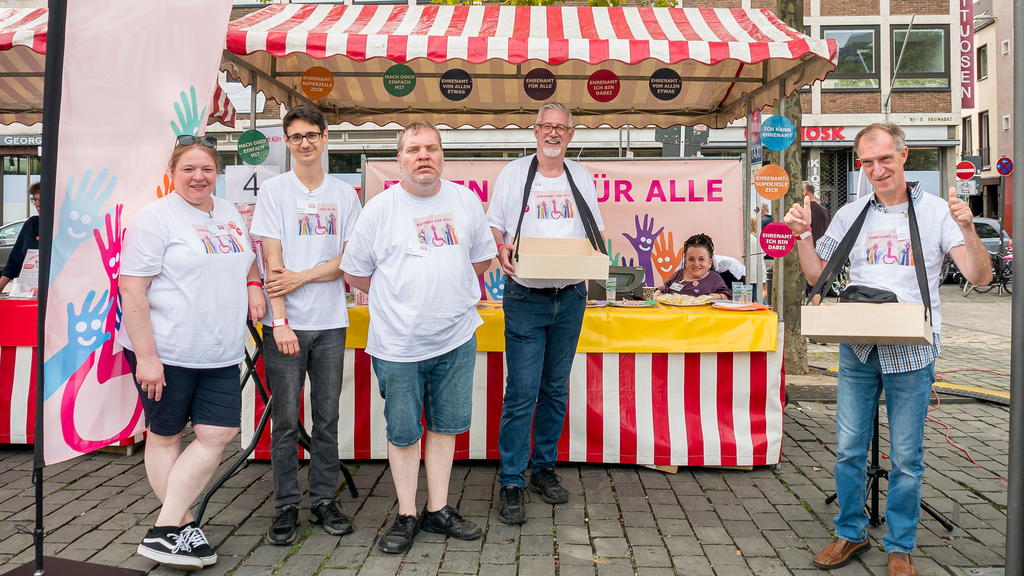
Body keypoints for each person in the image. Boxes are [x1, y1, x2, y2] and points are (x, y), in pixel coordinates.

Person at [784, 123, 991, 576]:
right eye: (868, 161)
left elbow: (979, 277)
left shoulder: (937, 212)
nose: (877, 169)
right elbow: (820, 275)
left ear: (903, 155)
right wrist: (801, 237)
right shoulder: (851, 214)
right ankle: (850, 534)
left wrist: (968, 227)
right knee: (848, 450)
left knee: (906, 458)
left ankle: (900, 546)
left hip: (913, 351)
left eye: (885, 159)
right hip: (858, 346)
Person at [341, 122, 494, 555]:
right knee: (404, 431)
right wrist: (404, 299)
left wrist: (442, 293)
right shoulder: (379, 209)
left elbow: (480, 260)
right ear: (399, 160)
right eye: (413, 150)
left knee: (446, 427)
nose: (423, 156)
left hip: (456, 337)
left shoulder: (465, 200)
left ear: (443, 155)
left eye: (431, 148)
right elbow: (355, 272)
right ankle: (407, 513)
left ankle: (439, 509)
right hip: (398, 344)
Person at [119, 135, 265, 570]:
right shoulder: (155, 219)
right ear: (172, 172)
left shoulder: (228, 212)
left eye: (206, 169)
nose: (198, 177)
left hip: (220, 350)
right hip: (167, 350)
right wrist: (147, 357)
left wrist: (254, 285)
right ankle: (180, 527)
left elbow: (246, 258)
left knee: (218, 434)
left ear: (216, 172)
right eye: (188, 169)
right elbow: (132, 290)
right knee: (165, 435)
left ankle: (166, 529)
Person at [487, 102, 605, 525]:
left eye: (561, 128)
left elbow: (596, 231)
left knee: (555, 390)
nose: (553, 134)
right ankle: (512, 481)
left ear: (570, 135)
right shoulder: (514, 174)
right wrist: (501, 247)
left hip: (570, 296)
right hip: (525, 296)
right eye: (546, 127)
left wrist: (597, 265)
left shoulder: (582, 176)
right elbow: (496, 226)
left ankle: (544, 470)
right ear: (535, 131)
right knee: (521, 393)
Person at [250, 105, 363, 545]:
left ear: (325, 137)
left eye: (312, 134)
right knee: (284, 419)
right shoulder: (275, 192)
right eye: (296, 136)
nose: (305, 143)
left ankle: (322, 500)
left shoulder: (345, 194)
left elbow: (348, 262)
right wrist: (280, 321)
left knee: (327, 417)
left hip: (331, 323)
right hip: (286, 328)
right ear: (288, 141)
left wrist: (304, 275)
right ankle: (284, 505)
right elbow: (272, 263)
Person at [655, 233, 732, 300]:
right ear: (685, 261)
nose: (696, 264)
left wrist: (718, 296)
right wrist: (657, 293)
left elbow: (727, 295)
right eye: (691, 259)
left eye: (701, 259)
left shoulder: (715, 278)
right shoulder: (679, 274)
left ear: (709, 262)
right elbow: (665, 288)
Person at [0, 182, 40, 292]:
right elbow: (15, 260)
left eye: (41, 200)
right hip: (29, 288)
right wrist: (1, 285)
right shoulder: (31, 224)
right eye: (35, 199)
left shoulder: (64, 227)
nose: (37, 204)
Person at [802, 181, 832, 305]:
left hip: (810, 250)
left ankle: (817, 308)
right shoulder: (824, 210)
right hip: (824, 250)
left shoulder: (806, 211)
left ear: (805, 192)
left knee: (813, 286)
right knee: (818, 285)